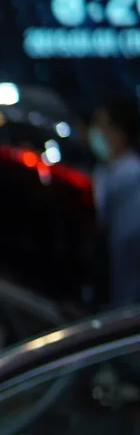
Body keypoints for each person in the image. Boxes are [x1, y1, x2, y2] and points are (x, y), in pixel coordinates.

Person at [89, 98, 140, 308]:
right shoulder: (102, 172)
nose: (95, 132)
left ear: (119, 133)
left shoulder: (132, 178)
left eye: (101, 125)